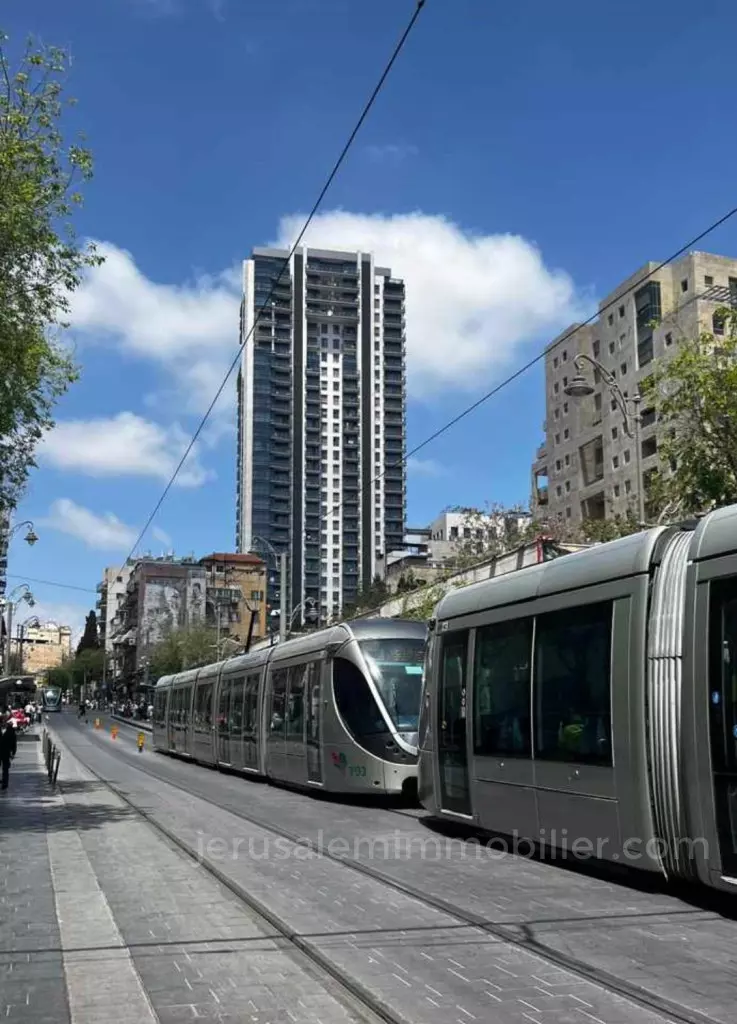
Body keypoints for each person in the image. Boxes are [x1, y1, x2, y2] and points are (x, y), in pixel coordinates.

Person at [0, 712, 17, 791]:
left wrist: (13, 752)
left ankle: (4, 784)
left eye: (5, 721)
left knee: (5, 769)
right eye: (2, 721)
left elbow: (14, 742)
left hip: (6, 752)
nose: (3, 722)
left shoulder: (11, 730)